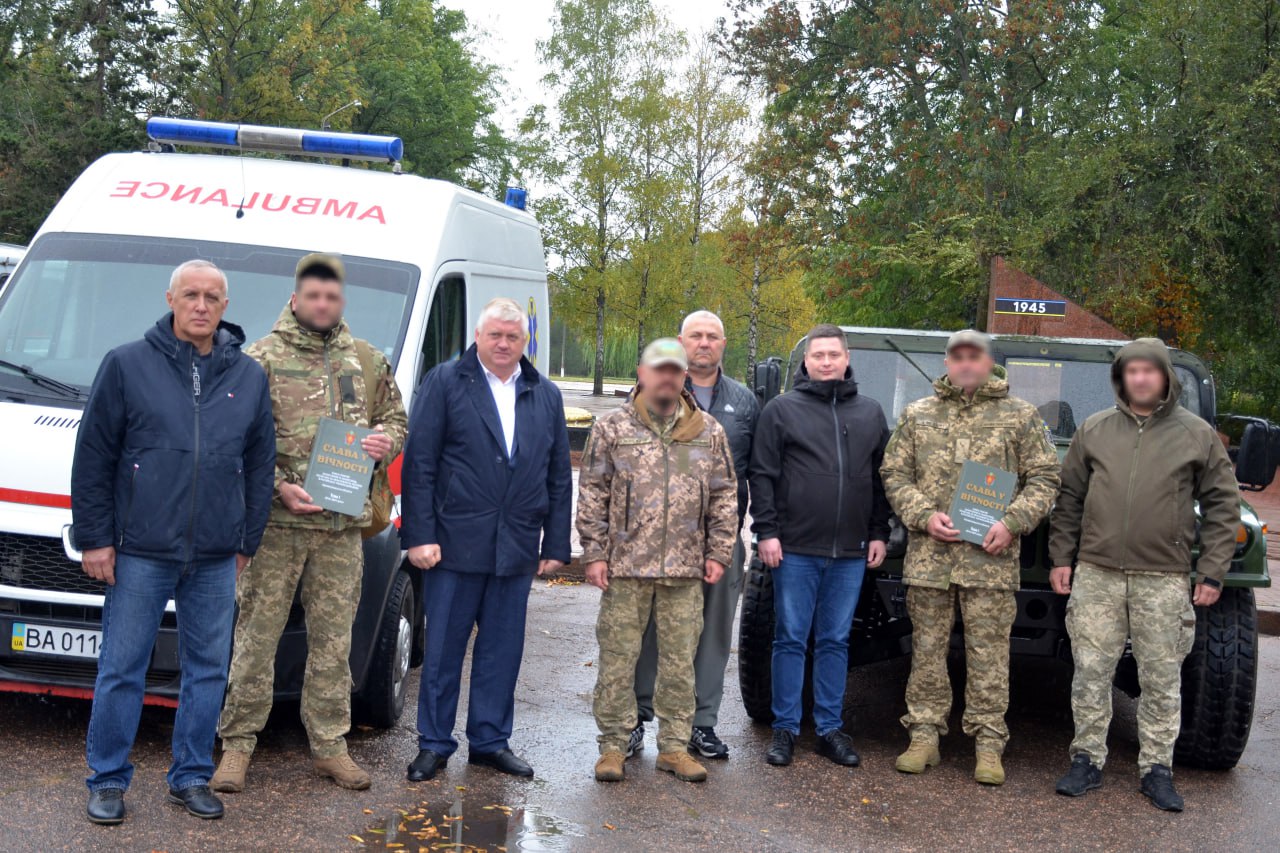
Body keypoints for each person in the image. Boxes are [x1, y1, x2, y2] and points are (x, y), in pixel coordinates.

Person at [73, 260, 275, 824]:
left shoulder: (248, 376)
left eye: (213, 297)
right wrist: (95, 539)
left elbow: (260, 467)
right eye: (191, 294)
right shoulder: (126, 365)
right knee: (122, 666)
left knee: (208, 669)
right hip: (139, 549)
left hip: (215, 554)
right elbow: (93, 459)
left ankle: (189, 776)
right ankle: (108, 780)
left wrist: (245, 541)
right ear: (171, 298)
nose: (201, 305)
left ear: (226, 307)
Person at [214, 254, 407, 793]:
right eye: (313, 297)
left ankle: (329, 746)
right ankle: (237, 746)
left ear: (340, 302)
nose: (323, 305)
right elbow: (237, 441)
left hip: (340, 531)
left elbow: (396, 418)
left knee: (333, 641)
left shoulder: (365, 360)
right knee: (256, 636)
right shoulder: (258, 360)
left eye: (332, 297)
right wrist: (278, 486)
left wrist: (385, 440)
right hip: (276, 527)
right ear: (296, 299)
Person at [1049, 338, 1237, 812]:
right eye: (1131, 371)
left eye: (1149, 371)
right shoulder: (1095, 429)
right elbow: (1069, 499)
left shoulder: (1196, 435)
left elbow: (1222, 505)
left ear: (1164, 377)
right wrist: (1061, 558)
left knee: (1161, 676)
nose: (1140, 378)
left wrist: (1211, 571)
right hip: (1097, 573)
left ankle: (1157, 768)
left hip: (1163, 577)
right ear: (1121, 377)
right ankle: (1087, 760)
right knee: (1090, 672)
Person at [400, 297, 573, 782]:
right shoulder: (445, 382)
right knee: (442, 655)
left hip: (515, 548)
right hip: (452, 546)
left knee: (502, 652)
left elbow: (558, 474)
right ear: (478, 336)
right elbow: (421, 465)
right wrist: (420, 535)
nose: (503, 343)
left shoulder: (544, 393)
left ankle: (490, 741)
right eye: (495, 334)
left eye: (512, 337)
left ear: (525, 342)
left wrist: (555, 544)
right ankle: (433, 744)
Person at [880, 329, 1060, 786]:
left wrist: (1012, 522)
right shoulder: (919, 415)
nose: (964, 363)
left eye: (973, 356)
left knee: (989, 655)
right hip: (931, 559)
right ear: (947, 361)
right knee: (926, 650)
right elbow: (894, 472)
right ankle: (923, 735)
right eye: (956, 356)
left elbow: (1044, 478)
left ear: (988, 361)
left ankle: (988, 742)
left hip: (990, 559)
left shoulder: (1020, 417)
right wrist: (923, 515)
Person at [578, 338, 738, 784]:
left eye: (675, 370)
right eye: (659, 369)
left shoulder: (707, 431)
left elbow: (725, 495)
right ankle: (613, 745)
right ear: (642, 373)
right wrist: (594, 552)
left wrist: (719, 551)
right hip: (626, 568)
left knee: (679, 663)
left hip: (685, 571)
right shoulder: (612, 427)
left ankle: (673, 747)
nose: (667, 377)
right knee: (617, 659)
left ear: (684, 376)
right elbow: (593, 493)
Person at [749, 324, 892, 769]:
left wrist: (879, 533)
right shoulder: (781, 411)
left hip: (850, 552)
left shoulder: (870, 414)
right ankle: (786, 729)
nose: (826, 361)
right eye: (818, 355)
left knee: (834, 640)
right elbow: (763, 475)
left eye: (834, 354)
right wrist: (767, 532)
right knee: (790, 638)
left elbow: (880, 482)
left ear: (846, 359)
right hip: (794, 549)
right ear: (806, 362)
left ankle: (829, 728)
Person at [632, 310, 759, 760]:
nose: (704, 343)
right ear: (681, 343)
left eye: (713, 337)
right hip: (655, 543)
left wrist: (762, 533)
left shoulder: (744, 403)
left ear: (724, 344)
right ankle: (636, 718)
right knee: (648, 631)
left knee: (713, 636)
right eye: (695, 336)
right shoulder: (652, 396)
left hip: (719, 542)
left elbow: (757, 474)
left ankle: (700, 724)